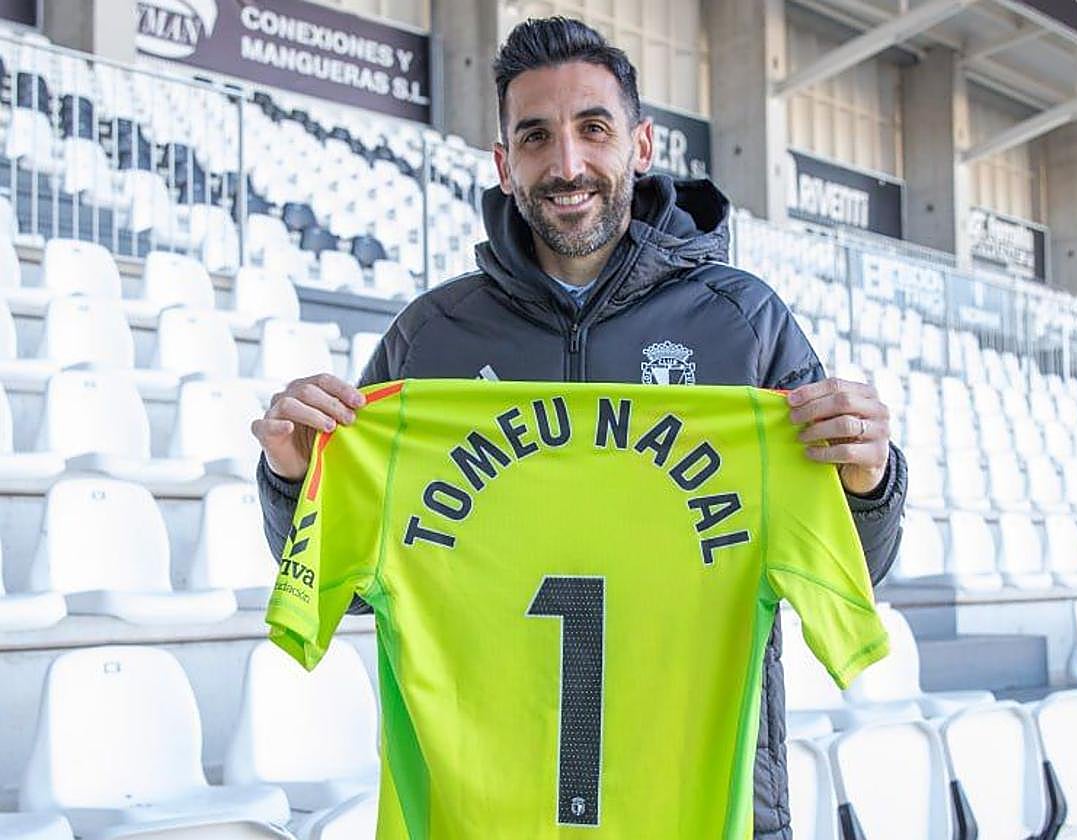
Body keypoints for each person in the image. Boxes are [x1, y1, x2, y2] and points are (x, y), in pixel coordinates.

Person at [252, 16, 907, 839]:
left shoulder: (744, 324)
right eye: (535, 136)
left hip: (705, 809)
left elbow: (857, 568)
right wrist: (291, 478)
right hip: (486, 814)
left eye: (593, 129)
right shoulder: (430, 340)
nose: (567, 165)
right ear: (503, 162)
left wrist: (869, 479)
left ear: (640, 144)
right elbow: (341, 584)